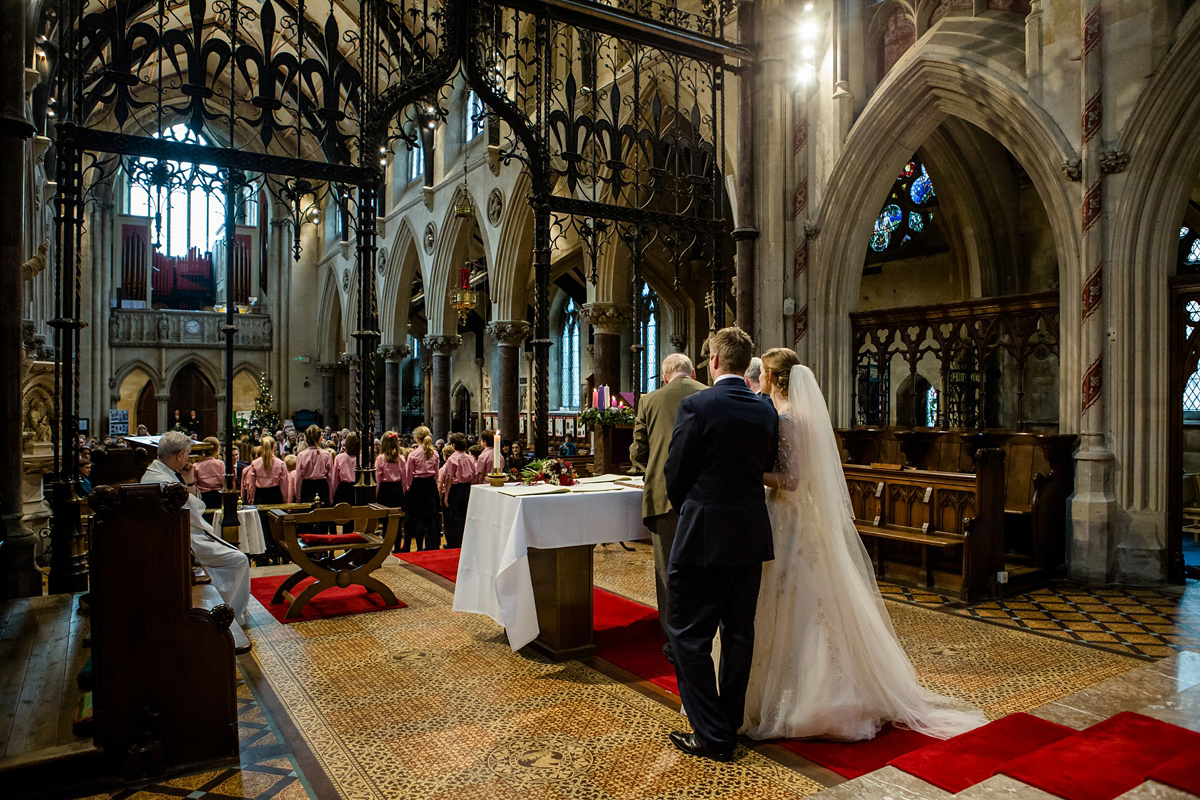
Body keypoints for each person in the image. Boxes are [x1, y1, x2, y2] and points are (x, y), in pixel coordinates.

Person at [743, 349, 985, 742]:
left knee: (793, 603)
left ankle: (813, 697)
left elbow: (790, 481)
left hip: (787, 519)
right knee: (802, 602)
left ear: (773, 376)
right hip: (797, 519)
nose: (762, 378)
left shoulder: (787, 419)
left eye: (765, 373)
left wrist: (755, 472)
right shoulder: (792, 414)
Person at [662, 327, 779, 762]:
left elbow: (676, 474)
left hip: (704, 536)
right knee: (738, 635)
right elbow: (765, 466)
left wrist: (693, 509)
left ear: (712, 361)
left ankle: (711, 734)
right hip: (750, 535)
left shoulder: (698, 405)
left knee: (686, 634)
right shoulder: (764, 410)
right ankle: (727, 722)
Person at [630, 353, 706, 662]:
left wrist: (652, 469)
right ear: (692, 371)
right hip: (703, 496)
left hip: (662, 497)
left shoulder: (650, 400)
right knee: (701, 567)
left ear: (665, 376)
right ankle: (702, 633)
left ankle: (674, 639)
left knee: (668, 570)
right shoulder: (708, 394)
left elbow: (638, 449)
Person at [141, 431, 250, 626]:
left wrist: (189, 479)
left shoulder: (156, 473)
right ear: (180, 455)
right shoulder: (162, 480)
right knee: (239, 560)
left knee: (231, 558)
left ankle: (218, 606)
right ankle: (227, 614)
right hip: (181, 539)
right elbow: (195, 508)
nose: (188, 459)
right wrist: (189, 482)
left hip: (177, 534)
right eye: (188, 455)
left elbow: (192, 504)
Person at [406, 426, 442, 550]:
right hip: (430, 485)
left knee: (419, 517)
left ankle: (419, 547)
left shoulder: (413, 454)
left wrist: (409, 488)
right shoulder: (435, 453)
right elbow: (437, 473)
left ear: (417, 438)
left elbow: (409, 474)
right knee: (431, 517)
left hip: (418, 485)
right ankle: (431, 545)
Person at [439, 433, 475, 548]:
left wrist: (446, 496)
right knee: (464, 515)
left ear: (453, 445)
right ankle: (464, 541)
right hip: (467, 487)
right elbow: (474, 475)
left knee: (453, 517)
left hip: (455, 489)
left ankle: (454, 543)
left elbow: (449, 477)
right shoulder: (470, 457)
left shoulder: (452, 458)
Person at [376, 432, 409, 551]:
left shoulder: (380, 458)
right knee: (397, 521)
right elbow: (404, 478)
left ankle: (385, 548)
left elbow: (378, 478)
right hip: (397, 489)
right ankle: (396, 547)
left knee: (386, 521)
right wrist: (404, 492)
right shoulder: (401, 458)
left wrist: (376, 493)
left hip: (385, 490)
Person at [244, 435, 292, 505]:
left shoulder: (255, 463)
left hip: (260, 495)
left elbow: (251, 484)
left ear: (261, 448)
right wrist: (285, 499)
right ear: (275, 447)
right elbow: (284, 484)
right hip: (275, 495)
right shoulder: (281, 464)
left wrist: (251, 498)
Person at [293, 425, 335, 505]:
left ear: (305, 439)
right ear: (320, 439)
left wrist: (298, 496)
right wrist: (330, 496)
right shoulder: (327, 455)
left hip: (307, 487)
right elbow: (330, 478)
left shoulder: (301, 455)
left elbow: (298, 478)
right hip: (322, 487)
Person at [194, 437, 225, 509]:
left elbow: (195, 483)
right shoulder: (220, 463)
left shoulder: (196, 465)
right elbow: (222, 480)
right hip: (217, 495)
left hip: (202, 495)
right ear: (217, 450)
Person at [331, 432, 360, 506]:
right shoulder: (362, 458)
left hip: (343, 489)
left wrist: (332, 495)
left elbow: (335, 479)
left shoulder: (339, 457)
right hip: (358, 489)